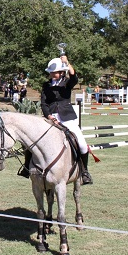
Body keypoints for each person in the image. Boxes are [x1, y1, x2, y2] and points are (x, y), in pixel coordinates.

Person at [38, 55, 93, 185]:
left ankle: (84, 171)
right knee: (35, 138)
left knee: (82, 145)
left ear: (61, 72)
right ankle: (27, 168)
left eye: (54, 72)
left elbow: (74, 77)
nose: (51, 74)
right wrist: (49, 116)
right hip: (51, 117)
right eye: (51, 72)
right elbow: (43, 103)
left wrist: (67, 62)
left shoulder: (67, 83)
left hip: (67, 118)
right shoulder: (46, 85)